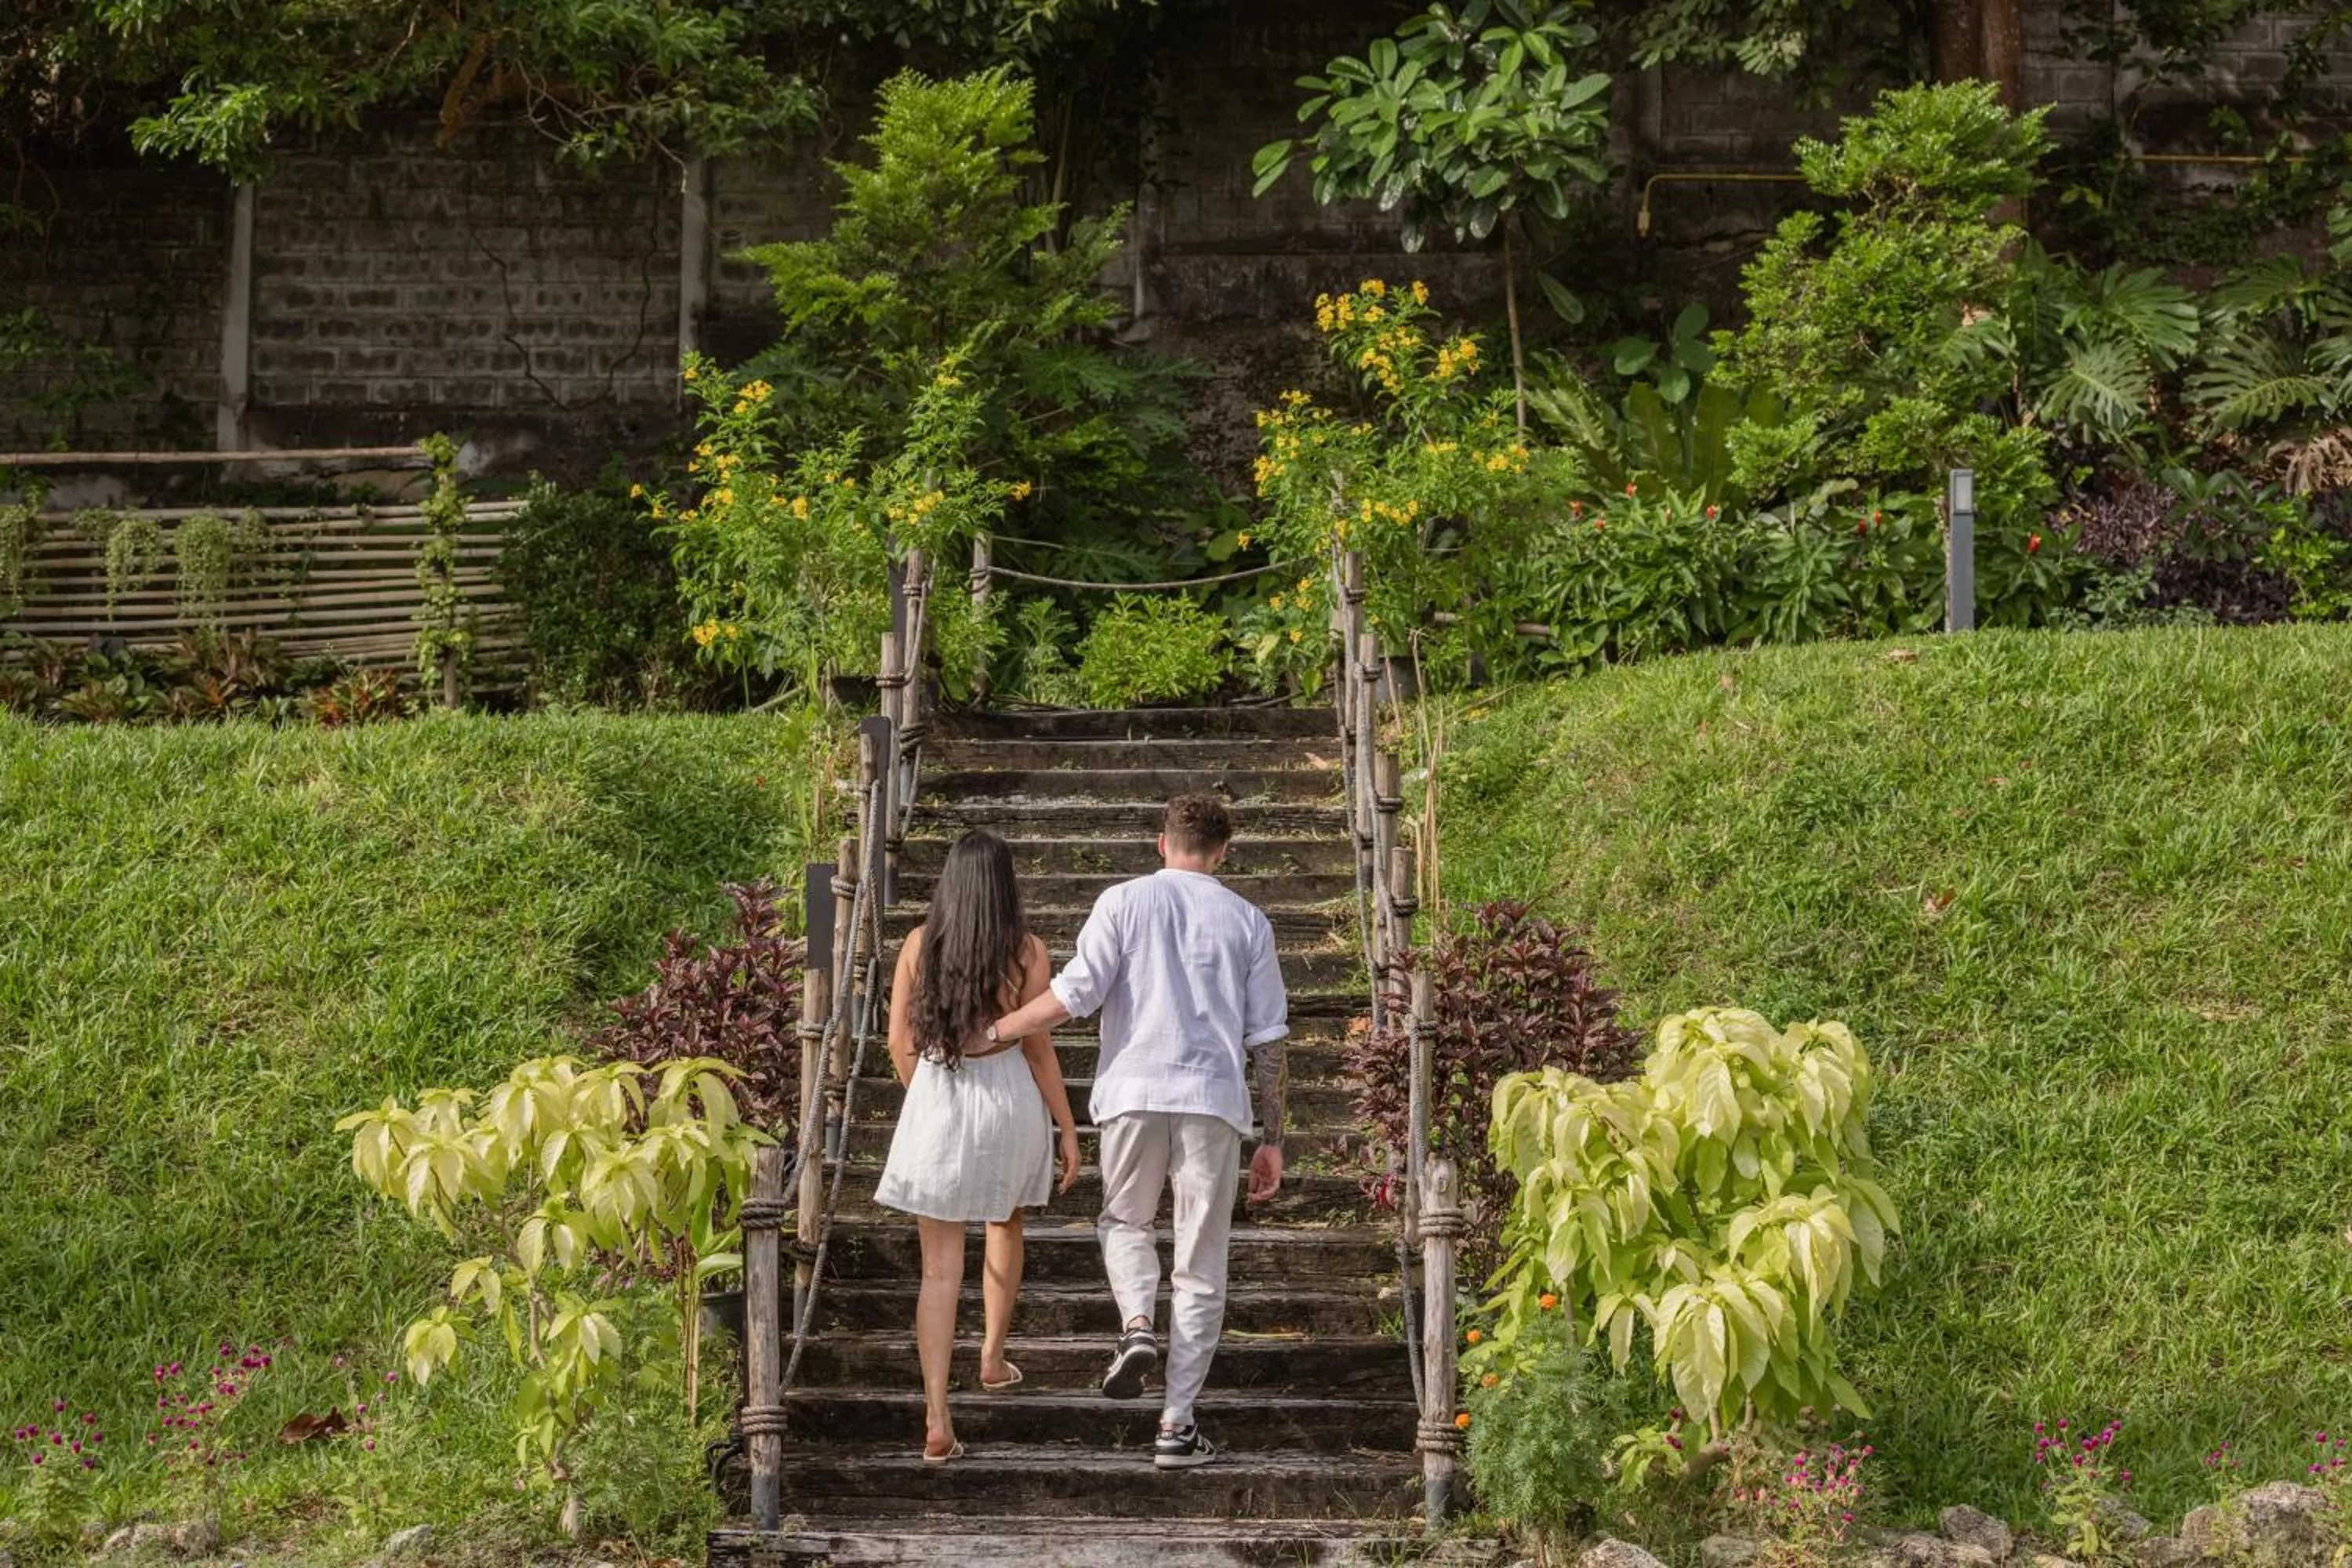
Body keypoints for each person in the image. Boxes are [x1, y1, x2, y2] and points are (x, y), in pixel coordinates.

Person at [986, 793, 1287, 1470]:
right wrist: (1272, 1138)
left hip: (1132, 1092)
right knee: (1201, 1263)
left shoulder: (1122, 902)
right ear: (1223, 853)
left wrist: (997, 1030)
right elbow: (1268, 1041)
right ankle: (1177, 1425)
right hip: (1213, 1100)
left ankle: (1138, 1324)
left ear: (1161, 843)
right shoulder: (1249, 921)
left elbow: (1073, 996)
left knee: (1125, 1222)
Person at [875, 829, 1083, 1466]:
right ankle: (991, 1357)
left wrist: (927, 1095)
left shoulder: (919, 944)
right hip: (1007, 1099)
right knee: (1005, 1219)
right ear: (1004, 886)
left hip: (940, 1089)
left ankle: (937, 1417)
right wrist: (1068, 1127)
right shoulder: (1027, 952)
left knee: (939, 1270)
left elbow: (898, 1043)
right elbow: (1039, 1046)